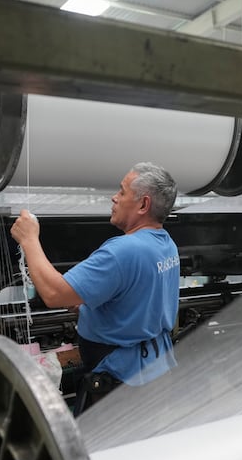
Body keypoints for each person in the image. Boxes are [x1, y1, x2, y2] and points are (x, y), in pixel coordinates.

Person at [11, 162, 180, 415]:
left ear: (143, 205)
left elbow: (54, 293)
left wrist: (29, 239)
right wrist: (89, 309)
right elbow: (138, 301)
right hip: (155, 367)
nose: (114, 197)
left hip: (122, 382)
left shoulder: (122, 251)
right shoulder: (166, 245)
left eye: (122, 192)